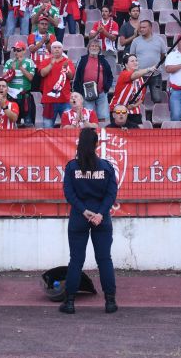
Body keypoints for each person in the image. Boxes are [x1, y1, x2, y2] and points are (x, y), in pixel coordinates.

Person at [60, 128, 118, 314]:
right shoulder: (106, 167)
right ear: (97, 144)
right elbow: (111, 194)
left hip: (79, 217)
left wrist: (84, 211)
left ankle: (69, 302)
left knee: (76, 260)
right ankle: (110, 302)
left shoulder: (71, 167)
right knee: (104, 260)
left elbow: (69, 194)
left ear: (79, 143)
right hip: (102, 219)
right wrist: (100, 213)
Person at [73, 41, 115, 122]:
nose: (94, 47)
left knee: (102, 117)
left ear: (99, 49)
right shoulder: (82, 59)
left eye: (96, 46)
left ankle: (100, 134)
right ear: (88, 48)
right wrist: (77, 92)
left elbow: (110, 76)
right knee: (88, 116)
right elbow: (77, 76)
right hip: (86, 93)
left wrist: (106, 88)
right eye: (92, 46)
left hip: (101, 93)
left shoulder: (103, 61)